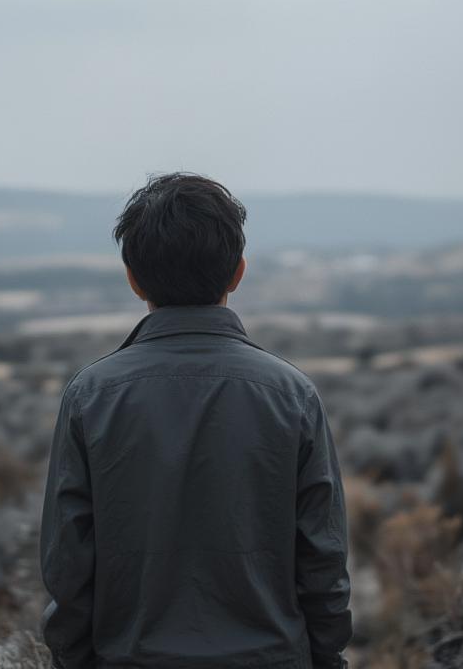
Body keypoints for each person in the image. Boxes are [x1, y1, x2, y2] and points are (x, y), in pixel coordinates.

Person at [39, 171, 353, 669]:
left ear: (133, 277)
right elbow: (323, 559)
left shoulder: (90, 397)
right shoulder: (293, 396)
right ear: (238, 273)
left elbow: (68, 564)